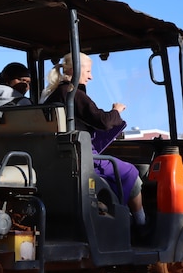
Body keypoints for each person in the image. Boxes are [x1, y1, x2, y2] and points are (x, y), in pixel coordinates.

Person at [41, 52, 146, 228]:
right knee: (131, 173)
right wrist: (116, 111)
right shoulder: (72, 93)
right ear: (74, 69)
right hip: (82, 157)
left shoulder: (53, 93)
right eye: (88, 71)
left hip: (62, 156)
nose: (91, 76)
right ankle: (141, 224)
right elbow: (103, 122)